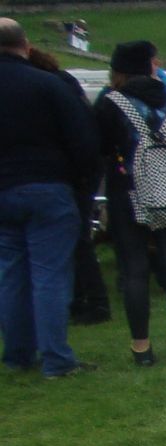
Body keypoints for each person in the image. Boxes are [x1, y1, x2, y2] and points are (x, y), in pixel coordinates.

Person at [0, 17, 97, 379]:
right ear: (25, 45)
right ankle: (56, 358)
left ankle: (17, 355)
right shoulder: (49, 85)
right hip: (48, 187)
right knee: (50, 275)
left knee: (10, 275)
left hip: (3, 190)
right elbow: (84, 141)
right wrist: (78, 180)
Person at [95, 40, 166, 366]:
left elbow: (98, 149)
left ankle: (141, 347)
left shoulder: (110, 103)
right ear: (150, 66)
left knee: (135, 269)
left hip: (129, 193)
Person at [26, 45, 110, 325]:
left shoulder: (47, 88)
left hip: (66, 175)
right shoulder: (64, 84)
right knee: (78, 240)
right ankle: (88, 300)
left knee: (75, 242)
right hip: (77, 173)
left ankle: (90, 301)